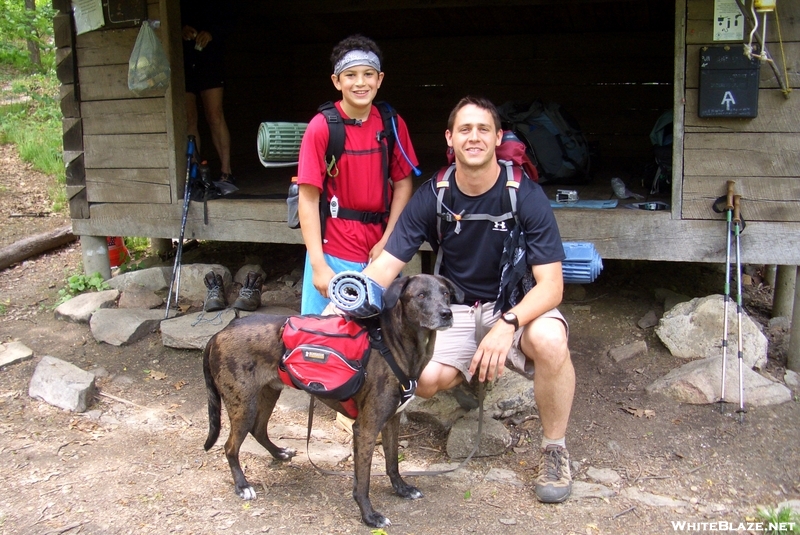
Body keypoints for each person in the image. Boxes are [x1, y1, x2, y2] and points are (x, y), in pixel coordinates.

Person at [361, 96, 575, 504]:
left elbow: (551, 286)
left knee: (550, 340)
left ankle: (555, 450)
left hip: (513, 303)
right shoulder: (434, 195)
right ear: (450, 138)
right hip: (455, 309)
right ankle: (473, 371)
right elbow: (386, 266)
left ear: (498, 137)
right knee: (422, 382)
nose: (473, 137)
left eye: (482, 129)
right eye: (464, 129)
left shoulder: (524, 195)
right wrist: (346, 304)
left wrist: (506, 326)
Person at [296, 35, 417, 315]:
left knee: (378, 339)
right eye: (350, 75)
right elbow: (308, 197)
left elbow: (403, 183)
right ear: (337, 81)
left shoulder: (391, 124)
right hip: (334, 252)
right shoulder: (322, 127)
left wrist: (388, 240)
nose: (360, 83)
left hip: (380, 252)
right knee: (322, 337)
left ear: (380, 79)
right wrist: (318, 265)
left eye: (368, 74)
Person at [181, 0, 235, 183]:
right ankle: (195, 171)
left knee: (215, 115)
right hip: (185, 58)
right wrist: (182, 29)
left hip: (210, 58)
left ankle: (226, 172)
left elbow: (229, 20)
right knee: (189, 118)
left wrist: (212, 34)